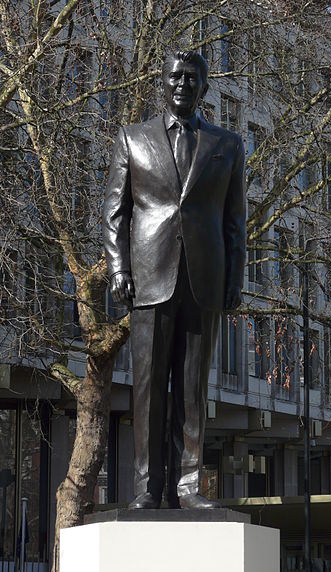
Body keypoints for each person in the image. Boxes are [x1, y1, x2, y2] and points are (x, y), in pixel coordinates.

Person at [102, 50, 246, 509]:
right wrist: (119, 269)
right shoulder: (132, 138)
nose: (182, 84)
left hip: (204, 279)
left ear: (205, 87)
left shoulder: (228, 145)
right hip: (148, 276)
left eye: (192, 78)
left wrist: (235, 279)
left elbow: (234, 222)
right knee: (146, 387)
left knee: (192, 388)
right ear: (160, 83)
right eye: (174, 77)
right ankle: (148, 485)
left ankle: (187, 486)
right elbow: (114, 213)